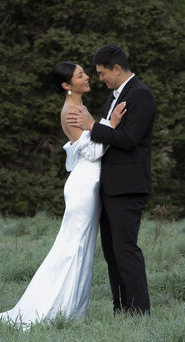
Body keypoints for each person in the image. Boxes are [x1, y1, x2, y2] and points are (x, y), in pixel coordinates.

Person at [0, 61, 125, 327]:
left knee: (82, 250)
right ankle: (51, 309)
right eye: (80, 75)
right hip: (83, 186)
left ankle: (71, 312)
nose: (87, 77)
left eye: (85, 73)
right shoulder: (71, 111)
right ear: (66, 85)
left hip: (91, 185)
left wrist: (99, 125)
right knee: (73, 248)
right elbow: (93, 152)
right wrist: (111, 124)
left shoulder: (80, 107)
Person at [66, 43, 155, 314]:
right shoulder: (113, 96)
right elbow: (107, 137)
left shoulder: (141, 95)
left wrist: (93, 126)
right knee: (112, 253)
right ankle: (121, 309)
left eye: (103, 72)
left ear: (117, 68)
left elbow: (128, 140)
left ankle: (139, 313)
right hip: (109, 186)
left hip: (128, 187)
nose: (100, 78)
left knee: (125, 250)